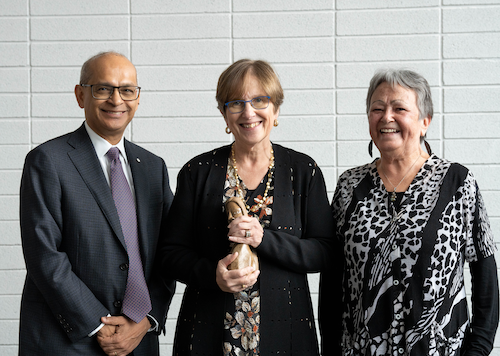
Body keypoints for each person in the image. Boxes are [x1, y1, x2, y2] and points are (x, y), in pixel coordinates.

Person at [158, 59, 334, 355]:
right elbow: (169, 254)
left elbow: (325, 252)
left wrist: (264, 239)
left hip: (287, 333)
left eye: (260, 100)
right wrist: (211, 274)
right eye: (236, 103)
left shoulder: (303, 171)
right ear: (224, 114)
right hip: (208, 334)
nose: (248, 112)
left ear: (275, 109)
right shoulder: (197, 171)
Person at [319, 69, 499, 355]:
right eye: (377, 109)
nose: (386, 117)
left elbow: (485, 274)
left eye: (399, 108)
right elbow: (332, 282)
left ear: (424, 121)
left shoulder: (457, 183)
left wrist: (477, 350)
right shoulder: (349, 187)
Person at [19, 51, 175, 356]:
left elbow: (169, 252)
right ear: (81, 95)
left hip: (138, 341)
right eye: (103, 89)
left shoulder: (152, 167)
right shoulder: (48, 161)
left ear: (137, 98)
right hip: (67, 340)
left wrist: (145, 321)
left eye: (127, 90)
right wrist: (100, 325)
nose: (116, 100)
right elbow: (45, 256)